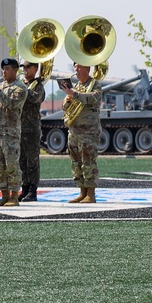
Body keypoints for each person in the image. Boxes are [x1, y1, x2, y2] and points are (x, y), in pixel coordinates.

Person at [0, 59, 27, 206]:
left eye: (7, 69)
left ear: (15, 70)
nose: (4, 72)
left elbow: (12, 104)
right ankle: (4, 194)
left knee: (12, 165)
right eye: (3, 69)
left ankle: (14, 196)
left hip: (10, 133)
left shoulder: (20, 87)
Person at [61, 62, 102, 203]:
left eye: (79, 67)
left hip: (88, 130)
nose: (76, 70)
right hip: (74, 130)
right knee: (76, 162)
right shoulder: (76, 86)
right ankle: (82, 191)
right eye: (75, 67)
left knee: (88, 161)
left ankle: (91, 193)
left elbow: (93, 98)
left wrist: (74, 94)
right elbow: (65, 107)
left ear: (87, 68)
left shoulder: (95, 84)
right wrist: (67, 100)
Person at [18, 61, 46, 202]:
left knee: (32, 161)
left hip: (32, 128)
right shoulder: (21, 84)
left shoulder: (38, 85)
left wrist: (21, 87)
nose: (25, 69)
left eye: (28, 67)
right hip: (19, 128)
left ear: (35, 68)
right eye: (23, 67)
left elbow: (35, 98)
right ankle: (24, 188)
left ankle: (33, 191)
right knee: (21, 161)